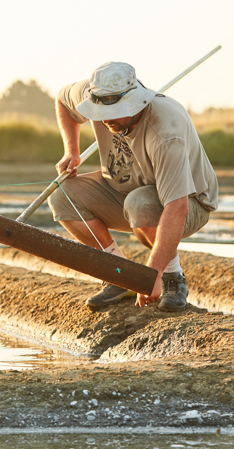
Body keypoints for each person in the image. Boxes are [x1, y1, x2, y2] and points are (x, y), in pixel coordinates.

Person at [47, 61, 218, 312]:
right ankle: (118, 275)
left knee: (140, 204)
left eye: (113, 113)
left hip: (188, 202)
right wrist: (71, 151)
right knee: (63, 196)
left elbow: (177, 207)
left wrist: (152, 275)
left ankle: (173, 278)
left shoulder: (166, 130)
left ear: (135, 103)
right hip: (123, 189)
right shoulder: (95, 93)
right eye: (100, 113)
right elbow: (63, 100)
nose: (105, 121)